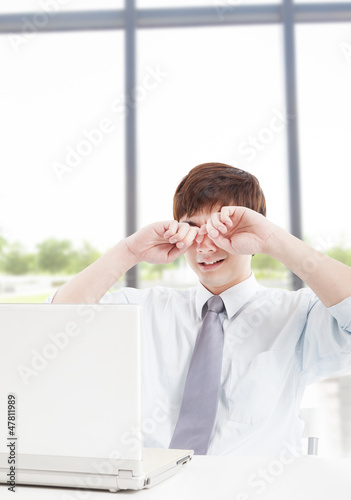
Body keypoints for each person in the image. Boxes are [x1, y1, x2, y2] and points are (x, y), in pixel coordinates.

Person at [47, 162, 351, 456]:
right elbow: (52, 327)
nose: (205, 247)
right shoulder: (144, 309)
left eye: (224, 229)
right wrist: (129, 252)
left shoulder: (297, 316)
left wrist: (273, 240)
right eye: (193, 230)